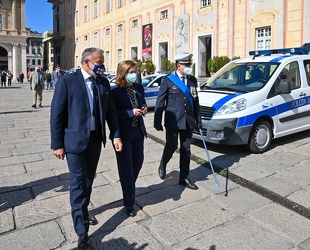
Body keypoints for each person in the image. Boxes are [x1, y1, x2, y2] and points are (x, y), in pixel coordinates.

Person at [50, 47, 122, 249]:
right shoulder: (67, 81)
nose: (102, 66)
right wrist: (57, 144)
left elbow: (110, 111)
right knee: (78, 183)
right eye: (99, 62)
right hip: (74, 142)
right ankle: (82, 231)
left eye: (102, 62)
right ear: (86, 62)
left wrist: (115, 134)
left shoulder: (103, 83)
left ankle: (83, 212)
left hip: (94, 140)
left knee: (89, 180)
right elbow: (57, 114)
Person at [153, 52, 202, 190]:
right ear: (179, 66)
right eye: (187, 65)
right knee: (172, 145)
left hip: (188, 120)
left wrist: (198, 119)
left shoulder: (192, 80)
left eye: (190, 64)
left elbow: (195, 100)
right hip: (173, 120)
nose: (189, 67)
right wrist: (157, 121)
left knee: (186, 149)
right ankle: (163, 163)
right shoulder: (168, 79)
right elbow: (160, 101)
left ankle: (184, 177)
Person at [111, 60, 148, 217]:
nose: (134, 74)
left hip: (138, 132)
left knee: (138, 163)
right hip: (123, 135)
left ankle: (128, 187)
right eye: (131, 72)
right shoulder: (115, 92)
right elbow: (113, 115)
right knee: (126, 169)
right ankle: (129, 203)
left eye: (135, 71)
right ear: (123, 73)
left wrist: (144, 108)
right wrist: (130, 112)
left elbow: (143, 102)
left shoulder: (139, 88)